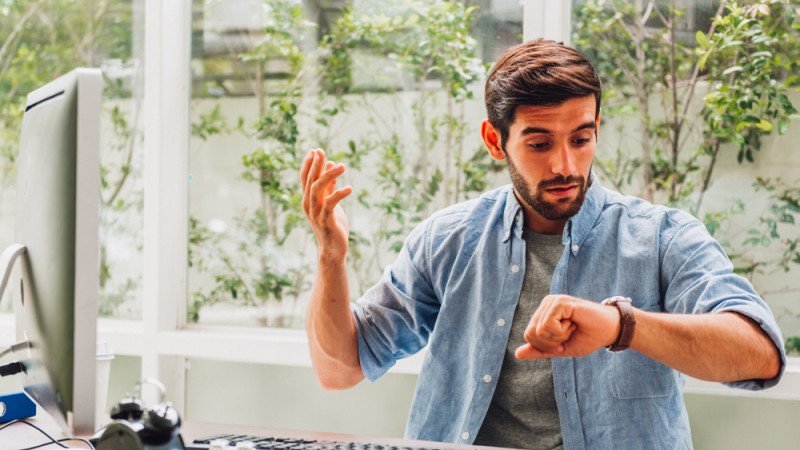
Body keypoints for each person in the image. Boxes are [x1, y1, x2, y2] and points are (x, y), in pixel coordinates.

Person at [299, 39, 785, 449]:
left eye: (581, 139)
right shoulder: (447, 239)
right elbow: (339, 368)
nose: (564, 166)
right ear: (495, 141)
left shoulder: (663, 238)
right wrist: (330, 257)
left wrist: (621, 325)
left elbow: (760, 355)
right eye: (539, 144)